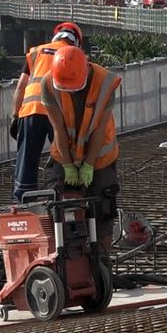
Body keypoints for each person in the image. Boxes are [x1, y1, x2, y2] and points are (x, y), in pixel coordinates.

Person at [42, 45, 121, 248]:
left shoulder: (105, 83)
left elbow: (99, 129)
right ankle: (69, 258)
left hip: (100, 156)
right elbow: (58, 129)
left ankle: (101, 261)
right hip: (64, 153)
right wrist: (68, 165)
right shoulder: (48, 84)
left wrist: (89, 164)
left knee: (102, 211)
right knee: (64, 212)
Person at [9, 22, 82, 202]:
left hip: (30, 111)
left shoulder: (36, 52)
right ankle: (65, 197)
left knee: (27, 158)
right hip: (58, 114)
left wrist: (15, 116)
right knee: (64, 156)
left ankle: (23, 201)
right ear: (76, 41)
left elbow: (20, 87)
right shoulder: (74, 55)